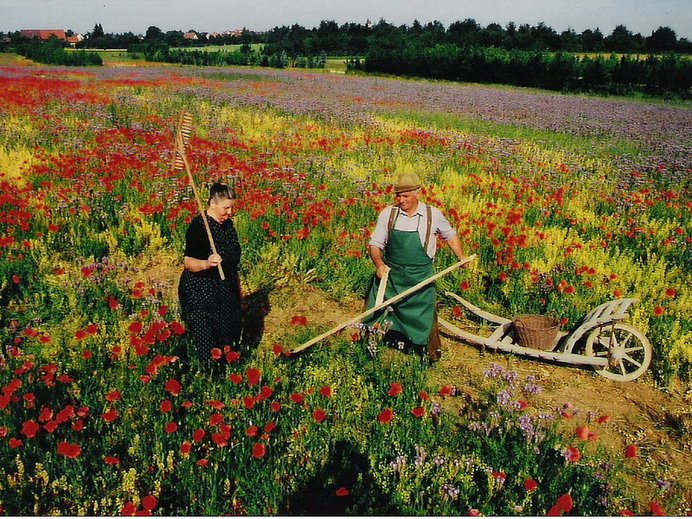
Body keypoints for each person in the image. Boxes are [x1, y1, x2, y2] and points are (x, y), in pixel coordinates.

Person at [364, 173, 468, 362]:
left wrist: (461, 257)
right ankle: (370, 350)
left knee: (425, 316)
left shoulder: (432, 215)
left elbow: (450, 236)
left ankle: (431, 357)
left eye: (405, 196)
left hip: (421, 277)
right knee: (376, 310)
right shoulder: (389, 214)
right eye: (398, 196)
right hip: (392, 275)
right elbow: (375, 244)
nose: (400, 200)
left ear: (417, 194)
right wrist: (379, 265)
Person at [178, 182, 242, 368]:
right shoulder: (199, 226)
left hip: (223, 289)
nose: (230, 212)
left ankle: (226, 379)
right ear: (212, 204)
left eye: (232, 207)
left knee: (227, 338)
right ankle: (210, 380)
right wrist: (207, 263)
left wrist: (238, 293)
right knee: (208, 342)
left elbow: (232, 263)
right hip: (199, 292)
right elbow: (189, 263)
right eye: (226, 208)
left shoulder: (228, 225)